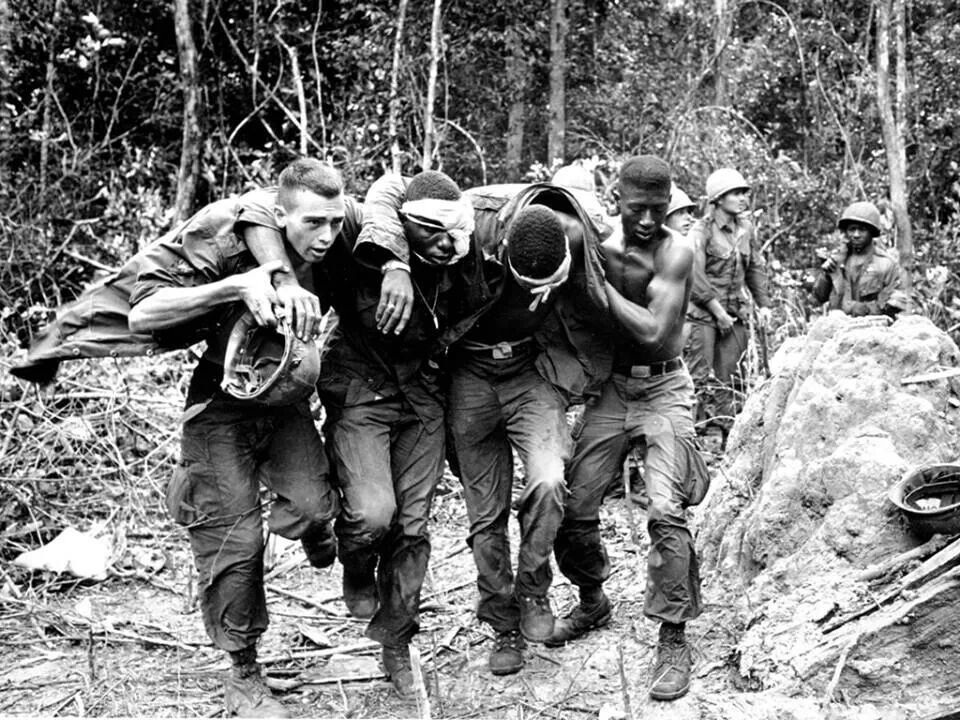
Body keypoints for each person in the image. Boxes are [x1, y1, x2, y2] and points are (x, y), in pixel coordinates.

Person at [127, 158, 349, 717]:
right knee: (236, 541)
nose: (326, 235)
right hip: (220, 403)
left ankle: (312, 527)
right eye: (313, 223)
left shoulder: (336, 239)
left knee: (313, 504)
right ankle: (244, 673)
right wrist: (234, 288)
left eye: (334, 221)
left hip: (284, 397)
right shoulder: (224, 242)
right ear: (282, 216)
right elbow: (141, 316)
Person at [365, 176, 610, 676]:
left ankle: (534, 590)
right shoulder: (467, 219)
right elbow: (390, 191)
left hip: (530, 372)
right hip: (469, 376)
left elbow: (620, 240)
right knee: (485, 513)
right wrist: (395, 264)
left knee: (549, 479)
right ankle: (503, 624)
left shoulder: (577, 226)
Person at [244, 169, 473, 698]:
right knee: (372, 515)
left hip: (423, 397)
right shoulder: (355, 234)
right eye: (430, 231)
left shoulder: (465, 249)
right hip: (362, 389)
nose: (444, 243)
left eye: (452, 233)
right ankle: (355, 560)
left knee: (412, 527)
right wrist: (393, 263)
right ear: (403, 223)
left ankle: (396, 640)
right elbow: (259, 207)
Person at [549, 155, 710, 702]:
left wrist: (593, 285)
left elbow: (652, 330)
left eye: (658, 209)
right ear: (616, 199)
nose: (647, 220)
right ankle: (592, 599)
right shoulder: (597, 246)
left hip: (664, 387)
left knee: (665, 507)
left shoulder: (675, 251)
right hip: (612, 388)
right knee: (572, 502)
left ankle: (673, 635)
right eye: (637, 208)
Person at [684, 167, 772, 443]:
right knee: (696, 377)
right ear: (718, 199)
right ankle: (691, 438)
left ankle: (730, 437)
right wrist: (717, 312)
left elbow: (754, 267)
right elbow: (694, 277)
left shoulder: (745, 229)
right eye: (735, 193)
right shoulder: (700, 232)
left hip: (735, 313)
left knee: (733, 378)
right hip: (702, 315)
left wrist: (764, 304)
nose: (743, 198)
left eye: (744, 193)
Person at [811, 200, 903, 317]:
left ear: (872, 232)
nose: (856, 235)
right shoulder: (837, 260)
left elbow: (896, 303)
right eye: (852, 229)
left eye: (862, 230)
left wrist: (862, 308)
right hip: (838, 324)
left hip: (873, 325)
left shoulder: (886, 264)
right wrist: (826, 275)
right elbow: (818, 298)